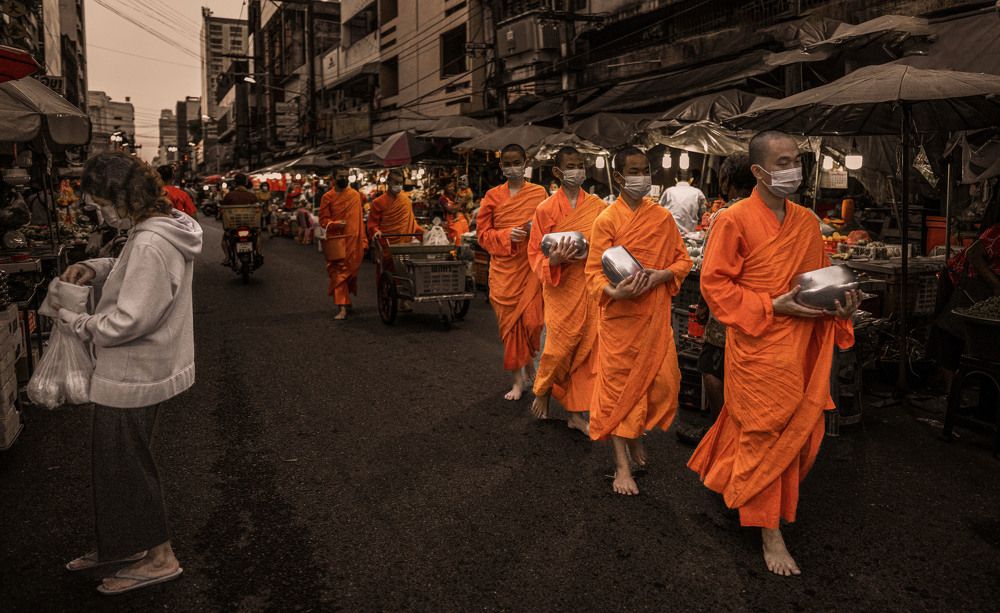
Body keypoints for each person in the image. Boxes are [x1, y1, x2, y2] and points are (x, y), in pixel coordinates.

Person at [687, 131, 858, 577]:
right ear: (760, 171)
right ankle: (769, 530)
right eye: (783, 162)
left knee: (800, 433)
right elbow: (716, 284)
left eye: (797, 160)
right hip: (759, 346)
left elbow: (817, 280)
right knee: (763, 431)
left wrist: (841, 304)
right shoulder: (733, 219)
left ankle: (732, 480)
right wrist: (769, 304)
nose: (793, 170)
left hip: (802, 344)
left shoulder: (805, 221)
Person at [57, 152, 201, 595]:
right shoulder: (150, 230)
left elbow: (131, 318)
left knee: (126, 465)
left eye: (102, 205)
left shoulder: (151, 242)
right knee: (117, 462)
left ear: (125, 197)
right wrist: (97, 268)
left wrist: (77, 324)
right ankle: (122, 545)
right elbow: (131, 274)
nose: (100, 214)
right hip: (138, 368)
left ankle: (159, 557)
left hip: (135, 372)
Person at [584, 147, 693, 495]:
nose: (642, 177)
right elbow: (592, 275)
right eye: (634, 171)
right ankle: (621, 466)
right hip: (620, 320)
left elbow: (682, 260)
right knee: (617, 392)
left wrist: (662, 275)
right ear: (618, 178)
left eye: (646, 170)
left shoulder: (662, 218)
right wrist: (615, 294)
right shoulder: (607, 220)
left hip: (655, 319)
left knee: (663, 384)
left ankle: (634, 436)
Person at [676, 152, 756, 446]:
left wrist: (704, 306)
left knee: (712, 366)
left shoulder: (728, 215)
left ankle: (720, 434)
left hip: (728, 308)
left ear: (726, 180)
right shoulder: (771, 212)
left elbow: (711, 270)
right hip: (758, 309)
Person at [526, 146, 604, 435]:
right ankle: (543, 388)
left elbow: (607, 241)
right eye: (571, 166)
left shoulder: (597, 206)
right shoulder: (545, 209)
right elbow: (534, 252)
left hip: (588, 284)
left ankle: (576, 413)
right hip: (560, 288)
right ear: (558, 172)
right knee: (558, 347)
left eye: (581, 165)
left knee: (585, 351)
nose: (578, 170)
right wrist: (553, 260)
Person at [477, 144, 547, 401]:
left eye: (517, 161)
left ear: (526, 161)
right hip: (504, 271)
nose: (512, 167)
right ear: (501, 166)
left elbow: (550, 226)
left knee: (533, 322)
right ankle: (517, 381)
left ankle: (529, 365)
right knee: (510, 329)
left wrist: (533, 230)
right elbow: (483, 235)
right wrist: (507, 234)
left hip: (530, 267)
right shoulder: (492, 196)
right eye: (507, 163)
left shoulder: (539, 193)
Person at [929, 190, 1000, 390]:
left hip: (983, 287)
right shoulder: (997, 232)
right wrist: (996, 285)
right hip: (965, 281)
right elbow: (973, 253)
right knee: (949, 332)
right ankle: (952, 392)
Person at [320, 167, 368, 320]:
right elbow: (323, 220)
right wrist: (334, 223)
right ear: (333, 177)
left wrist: (364, 239)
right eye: (341, 176)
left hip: (354, 240)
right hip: (337, 242)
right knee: (338, 273)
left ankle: (346, 300)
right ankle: (342, 307)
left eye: (346, 176)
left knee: (351, 273)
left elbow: (360, 219)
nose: (344, 179)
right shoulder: (327, 197)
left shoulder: (355, 195)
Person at [368, 170, 423, 245]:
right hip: (386, 241)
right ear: (388, 182)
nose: (399, 186)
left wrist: (424, 233)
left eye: (401, 183)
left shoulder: (406, 200)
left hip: (405, 243)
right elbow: (372, 224)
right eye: (396, 183)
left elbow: (412, 223)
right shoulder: (378, 202)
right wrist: (375, 231)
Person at [219, 173, 261, 266]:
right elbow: (257, 209)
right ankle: (258, 253)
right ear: (246, 183)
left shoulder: (229, 196)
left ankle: (227, 257)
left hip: (233, 224)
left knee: (225, 239)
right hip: (250, 223)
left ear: (235, 183)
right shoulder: (252, 196)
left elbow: (223, 209)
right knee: (257, 235)